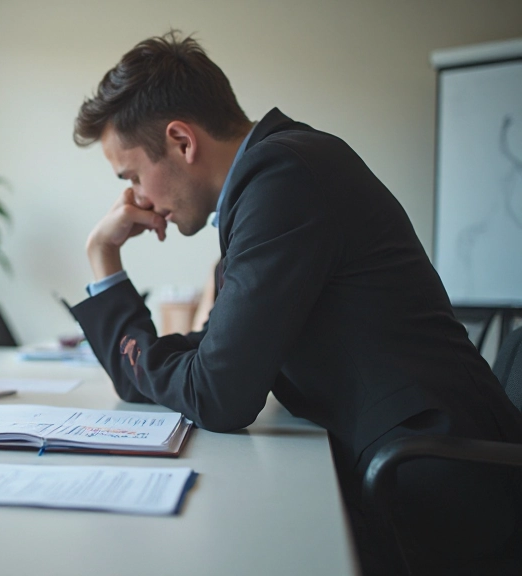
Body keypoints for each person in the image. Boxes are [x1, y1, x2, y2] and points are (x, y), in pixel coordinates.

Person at [70, 31, 522, 574]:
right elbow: (216, 362)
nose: (137, 200)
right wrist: (105, 260)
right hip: (401, 470)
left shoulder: (281, 178)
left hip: (438, 489)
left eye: (132, 175)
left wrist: (106, 259)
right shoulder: (272, 178)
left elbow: (218, 394)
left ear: (181, 141)